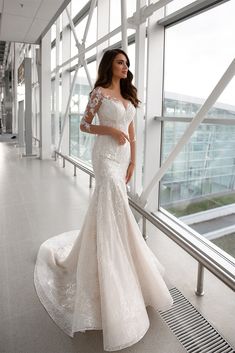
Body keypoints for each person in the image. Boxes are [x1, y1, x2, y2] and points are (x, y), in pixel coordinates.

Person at [34, 49, 173, 351]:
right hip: (105, 156)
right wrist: (109, 129)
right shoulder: (99, 93)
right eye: (121, 62)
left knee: (112, 209)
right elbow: (84, 124)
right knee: (115, 206)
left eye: (127, 63)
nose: (125, 67)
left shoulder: (128, 95)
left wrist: (134, 162)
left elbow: (132, 131)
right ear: (110, 64)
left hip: (122, 158)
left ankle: (119, 258)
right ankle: (113, 270)